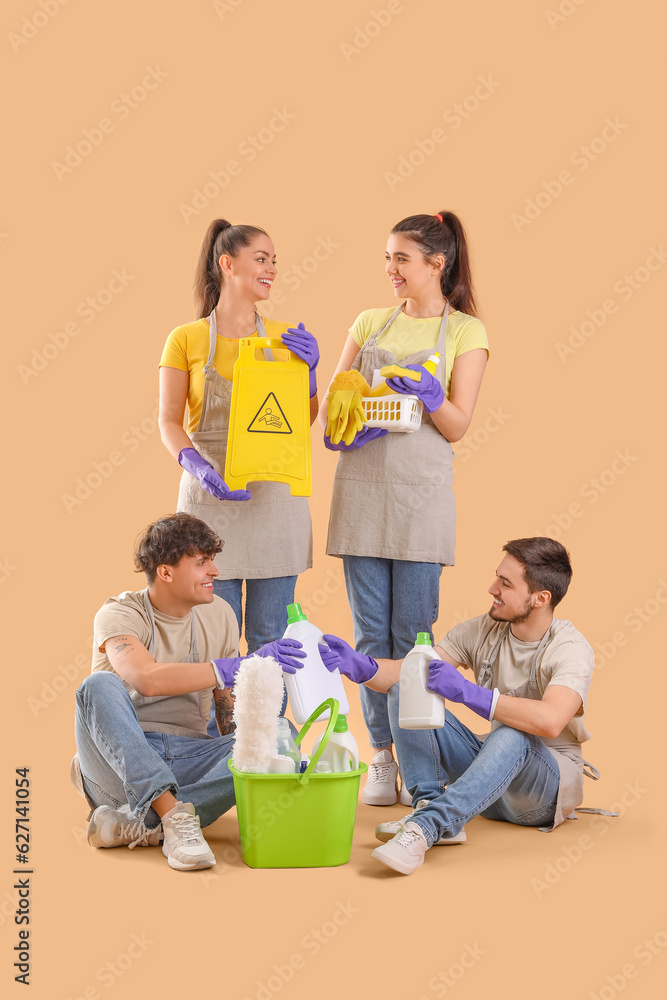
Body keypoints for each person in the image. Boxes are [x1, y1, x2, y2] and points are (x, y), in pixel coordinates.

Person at [319, 211, 489, 805]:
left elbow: (458, 425)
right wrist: (352, 430)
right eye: (386, 258)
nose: (390, 270)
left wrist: (434, 397)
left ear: (435, 264)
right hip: (362, 495)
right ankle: (383, 759)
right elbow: (332, 420)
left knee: (414, 638)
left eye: (401, 259)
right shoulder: (368, 323)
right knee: (370, 637)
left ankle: (422, 773)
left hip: (421, 502)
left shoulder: (467, 331)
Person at [319, 537, 600, 875]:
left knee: (515, 732)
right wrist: (362, 667)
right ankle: (429, 802)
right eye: (497, 576)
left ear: (540, 598)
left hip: (540, 794)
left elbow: (551, 721)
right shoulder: (486, 628)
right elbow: (411, 671)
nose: (492, 588)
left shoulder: (570, 648)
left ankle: (425, 829)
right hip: (490, 787)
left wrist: (468, 693)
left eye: (505, 583)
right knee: (405, 688)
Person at [72, 513, 307, 872]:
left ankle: (143, 826)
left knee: (279, 733)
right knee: (96, 686)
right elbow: (146, 678)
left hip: (189, 758)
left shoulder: (221, 615)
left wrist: (262, 765)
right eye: (201, 562)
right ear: (166, 572)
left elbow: (226, 711)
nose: (214, 571)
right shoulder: (120, 613)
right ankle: (173, 817)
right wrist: (228, 667)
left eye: (212, 560)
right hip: (120, 766)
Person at [159, 219, 320, 736]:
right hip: (208, 503)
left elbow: (300, 422)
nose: (272, 268)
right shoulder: (185, 339)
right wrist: (197, 467)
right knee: (214, 634)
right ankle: (215, 750)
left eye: (275, 260)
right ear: (227, 264)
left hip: (273, 498)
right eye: (262, 258)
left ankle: (266, 742)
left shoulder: (283, 338)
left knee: (271, 632)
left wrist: (311, 374)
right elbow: (167, 420)